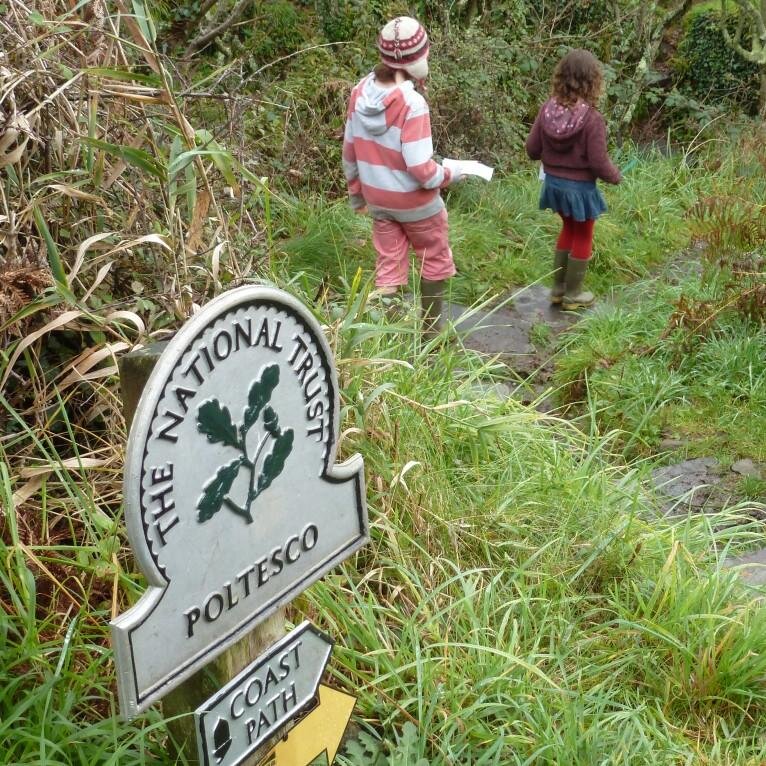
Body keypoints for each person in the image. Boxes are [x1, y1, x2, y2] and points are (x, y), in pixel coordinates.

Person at [342, 16, 461, 337]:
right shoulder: (413, 103)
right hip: (417, 205)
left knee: (388, 267)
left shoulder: (359, 93)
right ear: (419, 60)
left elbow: (349, 152)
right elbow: (422, 171)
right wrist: (451, 173)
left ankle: (387, 339)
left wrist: (358, 197)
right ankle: (431, 336)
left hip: (378, 200)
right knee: (434, 258)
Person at [525, 49, 621, 310]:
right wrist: (615, 177)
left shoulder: (547, 110)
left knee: (568, 228)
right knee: (583, 233)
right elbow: (599, 162)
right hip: (579, 189)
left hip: (554, 185)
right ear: (592, 81)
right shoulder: (592, 119)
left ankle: (557, 289)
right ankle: (573, 294)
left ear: (561, 77)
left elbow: (532, 149)